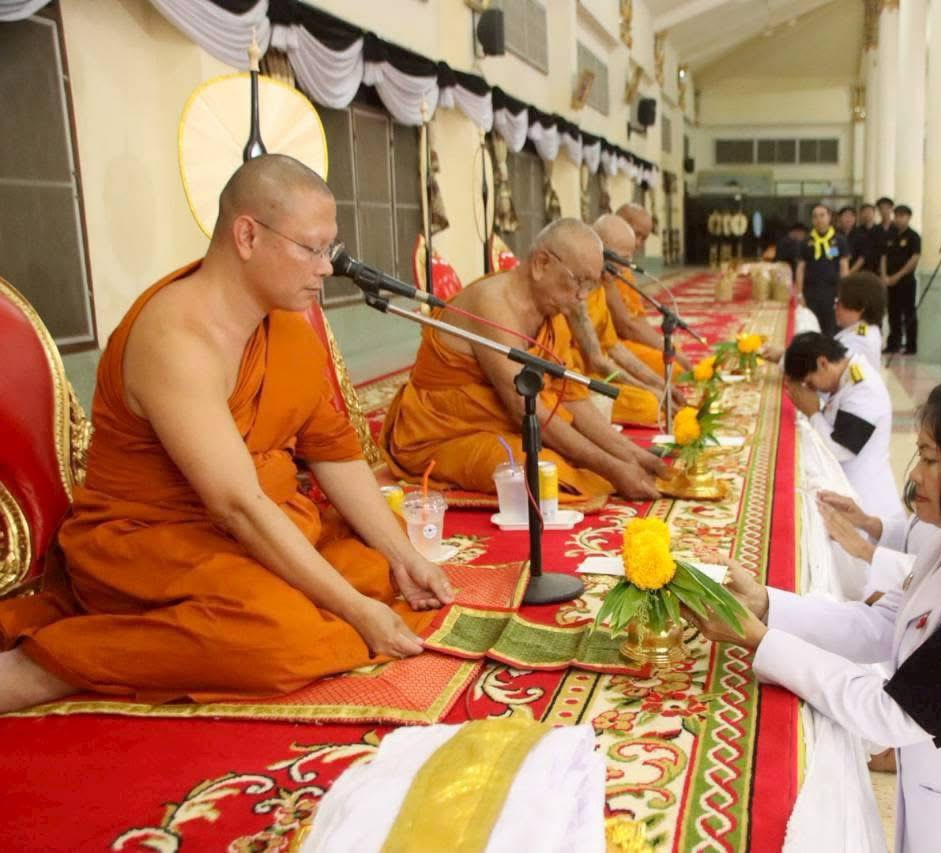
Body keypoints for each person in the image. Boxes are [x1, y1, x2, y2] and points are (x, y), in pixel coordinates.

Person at [0, 154, 458, 712]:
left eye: (330, 250)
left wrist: (402, 553)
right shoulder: (176, 339)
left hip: (251, 532)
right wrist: (357, 611)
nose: (327, 268)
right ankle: (53, 665)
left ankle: (262, 613)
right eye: (312, 249)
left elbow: (333, 452)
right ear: (247, 235)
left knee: (375, 567)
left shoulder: (285, 328)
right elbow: (237, 504)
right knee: (283, 638)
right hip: (153, 546)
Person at [688, 367, 941, 852]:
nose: (913, 475)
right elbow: (884, 624)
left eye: (929, 459)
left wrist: (760, 641)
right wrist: (765, 603)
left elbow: (892, 713)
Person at [379, 218, 665, 502]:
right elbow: (524, 409)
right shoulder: (492, 303)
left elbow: (571, 398)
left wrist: (633, 454)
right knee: (542, 471)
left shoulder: (552, 313)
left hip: (504, 425)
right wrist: (612, 467)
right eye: (578, 281)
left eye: (589, 286)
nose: (581, 297)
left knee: (569, 460)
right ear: (542, 263)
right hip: (440, 436)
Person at [560, 214, 680, 426]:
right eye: (620, 259)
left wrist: (661, 384)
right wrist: (648, 388)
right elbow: (598, 360)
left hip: (595, 374)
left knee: (655, 395)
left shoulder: (599, 286)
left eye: (628, 260)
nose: (624, 268)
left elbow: (613, 346)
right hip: (572, 380)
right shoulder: (578, 290)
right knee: (649, 404)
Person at [782, 332, 900, 524]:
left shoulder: (863, 389)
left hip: (865, 498)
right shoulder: (844, 375)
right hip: (845, 484)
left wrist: (813, 413)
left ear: (822, 363)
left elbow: (841, 451)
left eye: (810, 382)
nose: (812, 389)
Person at [613, 203, 692, 373]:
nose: (638, 243)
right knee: (674, 368)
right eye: (636, 234)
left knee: (673, 356)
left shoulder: (624, 269)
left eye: (644, 238)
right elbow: (625, 326)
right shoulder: (605, 270)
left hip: (625, 341)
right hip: (610, 346)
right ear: (618, 224)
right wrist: (663, 348)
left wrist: (663, 345)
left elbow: (638, 318)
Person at [796, 203, 851, 336]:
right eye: (815, 216)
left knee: (831, 330)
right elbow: (800, 269)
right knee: (812, 329)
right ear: (812, 220)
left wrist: (844, 292)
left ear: (829, 217)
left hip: (832, 293)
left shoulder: (839, 240)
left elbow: (844, 268)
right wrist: (799, 294)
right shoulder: (806, 241)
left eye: (822, 215)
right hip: (811, 293)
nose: (819, 219)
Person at [881, 205, 922, 355]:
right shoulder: (889, 235)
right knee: (893, 313)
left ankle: (911, 345)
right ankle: (893, 344)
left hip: (906, 281)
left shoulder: (913, 236)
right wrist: (884, 276)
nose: (899, 219)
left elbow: (914, 259)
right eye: (897, 215)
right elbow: (884, 256)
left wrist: (898, 276)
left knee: (908, 312)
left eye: (902, 216)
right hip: (889, 280)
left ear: (909, 217)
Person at [834, 271, 887, 369]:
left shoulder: (859, 341)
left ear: (860, 308)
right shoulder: (866, 330)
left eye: (839, 302)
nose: (835, 307)